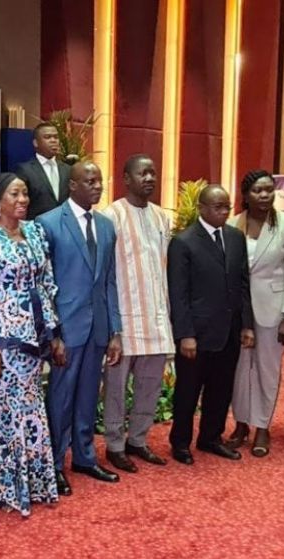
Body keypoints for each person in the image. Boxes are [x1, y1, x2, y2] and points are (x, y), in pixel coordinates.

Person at [0, 173, 62, 516]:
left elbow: (47, 284)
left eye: (25, 193)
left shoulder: (35, 232)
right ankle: (6, 486)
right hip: (6, 340)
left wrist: (53, 333)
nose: (23, 199)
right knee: (9, 410)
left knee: (31, 409)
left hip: (36, 337)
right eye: (15, 194)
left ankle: (33, 483)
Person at [37, 161, 123, 494]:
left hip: (98, 326)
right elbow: (42, 285)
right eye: (90, 181)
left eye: (99, 181)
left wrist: (115, 330)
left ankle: (85, 458)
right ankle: (55, 464)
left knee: (88, 395)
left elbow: (110, 281)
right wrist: (53, 333)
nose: (97, 186)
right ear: (72, 185)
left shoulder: (106, 226)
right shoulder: (47, 223)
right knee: (60, 398)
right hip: (66, 328)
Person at [167, 184, 255, 465]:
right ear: (201, 208)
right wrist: (185, 334)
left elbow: (244, 284)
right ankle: (181, 442)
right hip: (196, 333)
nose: (224, 212)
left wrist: (247, 325)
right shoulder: (183, 242)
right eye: (218, 207)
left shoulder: (236, 237)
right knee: (188, 390)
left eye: (227, 207)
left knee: (221, 388)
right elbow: (178, 293)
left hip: (229, 329)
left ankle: (211, 437)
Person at [226, 170, 284, 458]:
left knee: (266, 370)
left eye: (269, 190)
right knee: (238, 370)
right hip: (238, 311)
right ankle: (241, 425)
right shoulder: (232, 223)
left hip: (273, 310)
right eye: (257, 190)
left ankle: (262, 427)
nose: (264, 195)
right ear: (245, 195)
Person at [100, 154, 173, 472]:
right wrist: (111, 325)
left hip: (155, 317)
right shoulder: (110, 217)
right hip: (124, 319)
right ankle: (115, 445)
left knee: (150, 386)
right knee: (115, 389)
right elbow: (105, 273)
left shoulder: (162, 217)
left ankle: (138, 440)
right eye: (142, 173)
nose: (150, 178)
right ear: (126, 179)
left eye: (153, 172)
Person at [14, 123, 71, 219]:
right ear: (36, 143)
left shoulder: (68, 169)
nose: (53, 140)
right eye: (47, 137)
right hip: (36, 224)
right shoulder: (24, 170)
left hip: (64, 224)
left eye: (56, 137)